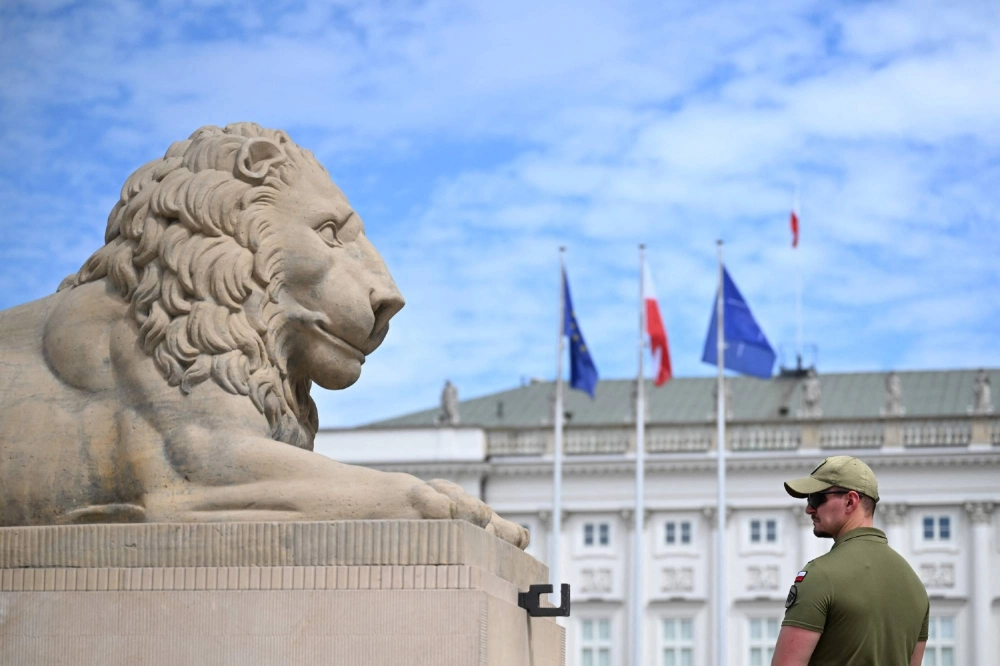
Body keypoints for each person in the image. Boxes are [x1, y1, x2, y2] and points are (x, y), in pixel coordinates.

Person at [771, 456, 929, 666]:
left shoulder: (820, 575)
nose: (809, 509)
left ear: (850, 501)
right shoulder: (915, 586)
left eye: (816, 498)